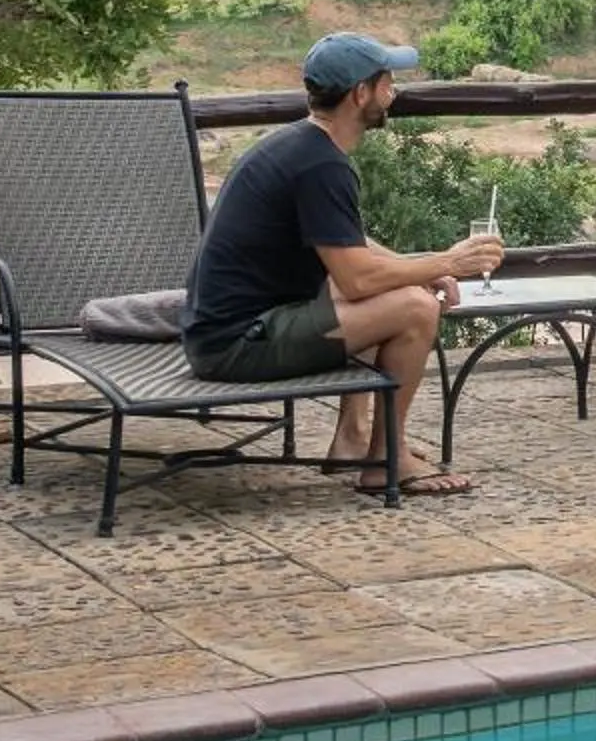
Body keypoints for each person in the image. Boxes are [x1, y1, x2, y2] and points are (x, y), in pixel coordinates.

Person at [182, 31, 501, 498]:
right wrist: (448, 260)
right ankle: (386, 459)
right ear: (361, 93)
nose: (394, 93)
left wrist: (429, 268)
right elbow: (355, 279)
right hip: (237, 343)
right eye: (388, 82)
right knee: (414, 307)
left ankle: (352, 440)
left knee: (402, 291)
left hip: (230, 329)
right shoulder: (321, 165)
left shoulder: (299, 146)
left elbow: (346, 244)